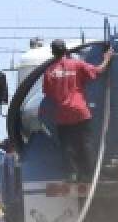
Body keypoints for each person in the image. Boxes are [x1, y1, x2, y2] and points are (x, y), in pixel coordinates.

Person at [42, 39, 113, 182]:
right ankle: (90, 175)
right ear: (66, 50)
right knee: (85, 144)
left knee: (67, 147)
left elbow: (47, 93)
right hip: (80, 111)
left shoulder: (49, 71)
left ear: (53, 52)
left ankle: (72, 175)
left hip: (62, 114)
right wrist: (107, 58)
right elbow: (99, 71)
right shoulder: (77, 64)